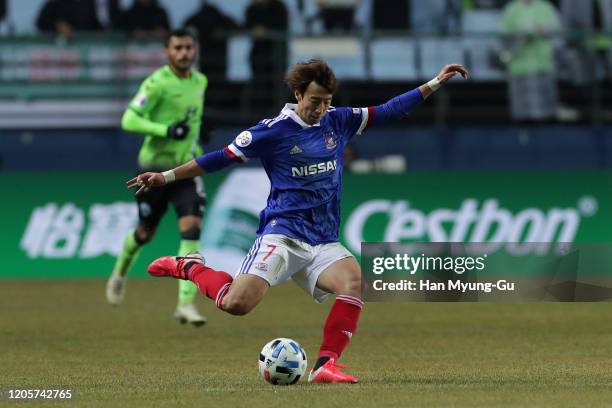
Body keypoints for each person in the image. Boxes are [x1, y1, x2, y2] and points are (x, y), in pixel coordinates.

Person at [128, 59, 468, 382]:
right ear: (298, 95)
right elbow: (219, 158)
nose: (320, 108)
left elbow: (390, 110)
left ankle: (325, 365)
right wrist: (166, 177)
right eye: (315, 101)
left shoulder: (339, 120)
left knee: (353, 283)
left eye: (326, 101)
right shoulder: (272, 132)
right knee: (237, 304)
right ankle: (190, 266)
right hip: (283, 235)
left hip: (322, 239)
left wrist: (435, 82)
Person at [106, 29, 209, 327]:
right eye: (178, 48)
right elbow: (128, 119)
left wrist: (198, 134)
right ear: (167, 52)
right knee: (144, 233)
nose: (184, 53)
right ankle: (120, 273)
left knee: (191, 229)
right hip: (153, 172)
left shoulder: (200, 81)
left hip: (186, 170)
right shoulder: (157, 83)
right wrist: (164, 130)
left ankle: (185, 304)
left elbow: (191, 119)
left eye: (189, 47)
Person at [501, 0, 563, 122]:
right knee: (522, 117)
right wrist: (522, 37)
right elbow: (504, 40)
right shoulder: (510, 10)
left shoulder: (546, 8)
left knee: (546, 116)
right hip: (519, 70)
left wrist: (544, 30)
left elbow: (559, 35)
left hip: (543, 67)